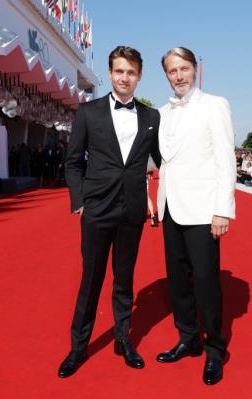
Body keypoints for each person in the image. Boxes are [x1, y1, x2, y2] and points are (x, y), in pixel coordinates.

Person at [59, 46, 161, 378]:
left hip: (132, 210)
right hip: (97, 208)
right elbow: (73, 162)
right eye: (119, 71)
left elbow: (160, 160)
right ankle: (78, 347)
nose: (125, 78)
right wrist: (80, 200)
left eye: (131, 72)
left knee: (124, 279)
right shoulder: (88, 112)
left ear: (139, 76)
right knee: (90, 281)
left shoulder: (151, 117)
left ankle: (123, 341)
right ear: (110, 73)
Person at [155, 47, 236, 386]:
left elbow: (225, 158)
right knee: (177, 280)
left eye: (183, 68)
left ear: (194, 69)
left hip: (204, 209)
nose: (178, 76)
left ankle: (215, 349)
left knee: (205, 280)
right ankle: (187, 337)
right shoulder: (161, 112)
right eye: (172, 70)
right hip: (170, 206)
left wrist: (222, 209)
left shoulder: (214, 104)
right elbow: (162, 161)